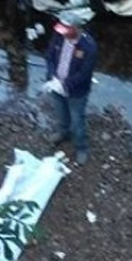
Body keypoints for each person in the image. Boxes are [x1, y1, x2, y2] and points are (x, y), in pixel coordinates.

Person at [44, 11, 97, 165]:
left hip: (76, 92)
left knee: (77, 121)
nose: (63, 33)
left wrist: (65, 85)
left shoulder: (89, 46)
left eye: (66, 30)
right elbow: (49, 56)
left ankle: (81, 147)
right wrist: (52, 76)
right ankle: (63, 133)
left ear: (76, 28)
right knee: (61, 113)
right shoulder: (58, 36)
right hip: (56, 84)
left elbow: (85, 74)